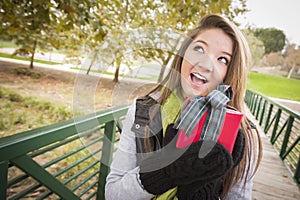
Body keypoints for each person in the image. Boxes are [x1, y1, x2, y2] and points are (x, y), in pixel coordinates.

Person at [105, 14, 262, 200]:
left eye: (222, 59)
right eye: (199, 49)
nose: (205, 64)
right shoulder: (143, 112)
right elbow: (113, 194)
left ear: (230, 73)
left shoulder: (241, 135)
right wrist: (164, 171)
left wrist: (203, 190)